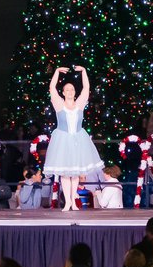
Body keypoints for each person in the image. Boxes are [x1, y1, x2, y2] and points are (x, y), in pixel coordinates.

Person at [42, 67, 106, 212]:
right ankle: (68, 202)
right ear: (63, 93)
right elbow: (52, 88)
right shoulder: (59, 104)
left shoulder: (80, 104)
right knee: (65, 174)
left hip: (78, 140)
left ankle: (74, 201)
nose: (70, 92)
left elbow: (87, 88)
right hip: (63, 141)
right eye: (67, 90)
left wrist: (83, 72)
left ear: (74, 92)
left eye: (72, 89)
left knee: (75, 173)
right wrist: (57, 71)